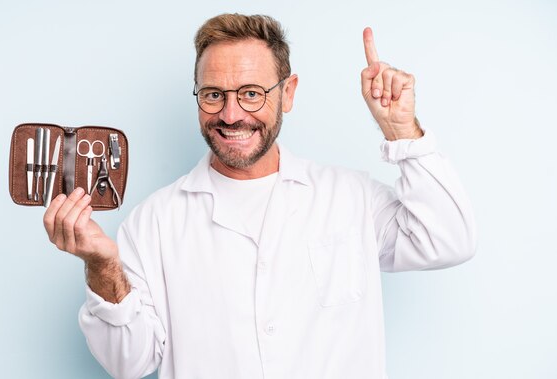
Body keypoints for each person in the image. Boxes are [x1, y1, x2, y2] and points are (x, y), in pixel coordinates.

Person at [43, 13, 476, 379]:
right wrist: (102, 267)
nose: (231, 115)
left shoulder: (350, 198)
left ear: (287, 93)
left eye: (251, 93)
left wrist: (401, 130)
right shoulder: (154, 222)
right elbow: (129, 361)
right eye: (214, 95)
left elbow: (450, 239)